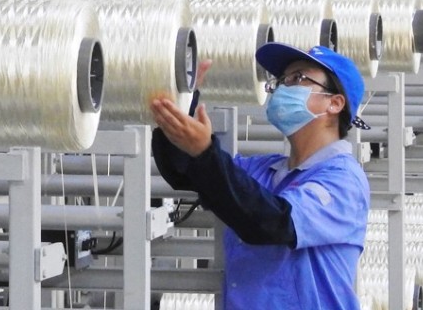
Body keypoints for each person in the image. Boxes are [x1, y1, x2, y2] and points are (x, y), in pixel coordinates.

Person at [150, 43, 370, 309]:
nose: (283, 88)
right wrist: (180, 100)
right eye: (282, 81)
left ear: (334, 103)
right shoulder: (264, 171)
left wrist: (205, 152)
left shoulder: (344, 180)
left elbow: (272, 223)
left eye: (298, 78)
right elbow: (188, 172)